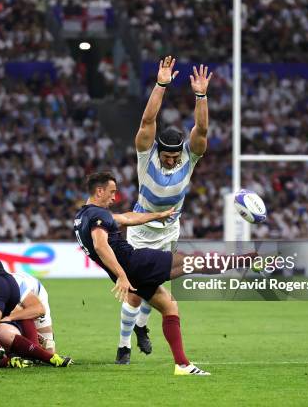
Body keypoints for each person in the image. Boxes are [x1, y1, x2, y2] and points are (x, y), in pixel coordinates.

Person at [115, 56, 212, 364]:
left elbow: (203, 129)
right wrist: (161, 85)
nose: (171, 161)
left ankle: (142, 328)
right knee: (135, 290)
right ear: (159, 149)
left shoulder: (190, 156)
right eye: (167, 156)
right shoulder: (147, 155)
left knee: (155, 286)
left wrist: (201, 95)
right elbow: (146, 122)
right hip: (141, 230)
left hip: (169, 230)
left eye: (174, 156)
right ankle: (124, 347)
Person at [74, 172, 210, 375]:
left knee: (170, 306)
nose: (114, 197)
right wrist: (121, 275)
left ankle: (182, 365)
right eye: (112, 192)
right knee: (195, 260)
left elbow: (127, 218)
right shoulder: (98, 215)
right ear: (99, 191)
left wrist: (158, 215)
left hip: (133, 273)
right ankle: (251, 259)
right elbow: (101, 246)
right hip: (136, 263)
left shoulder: (83, 217)